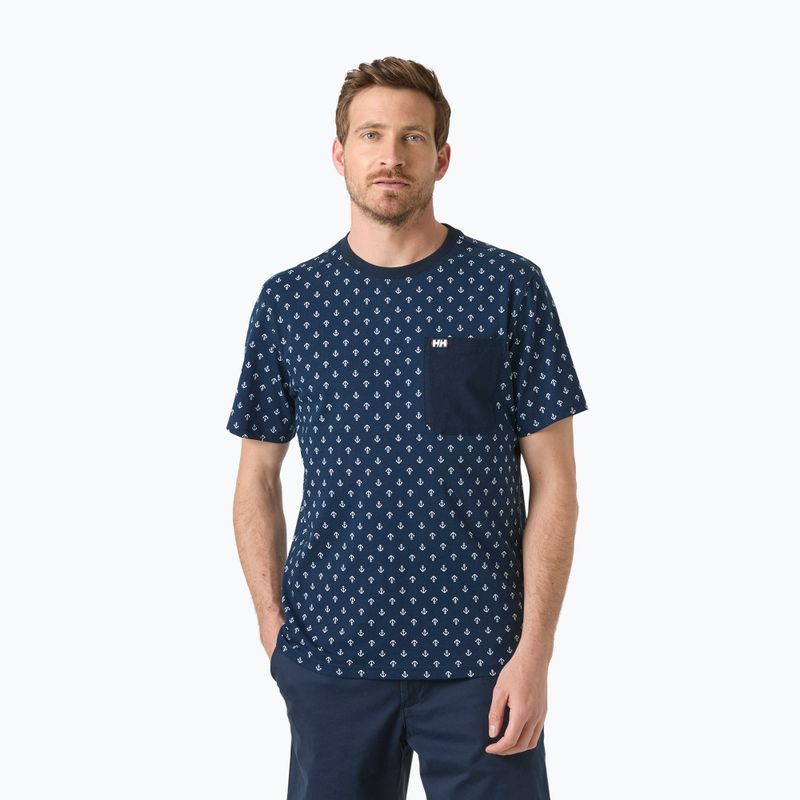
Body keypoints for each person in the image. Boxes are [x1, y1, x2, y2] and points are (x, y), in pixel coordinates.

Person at [226, 55, 588, 800]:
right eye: (371, 134)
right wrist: (274, 630)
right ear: (339, 154)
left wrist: (535, 654)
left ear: (441, 157)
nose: (390, 155)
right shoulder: (290, 301)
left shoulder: (507, 286)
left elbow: (556, 484)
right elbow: (256, 479)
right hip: (330, 657)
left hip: (483, 663)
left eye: (412, 137)